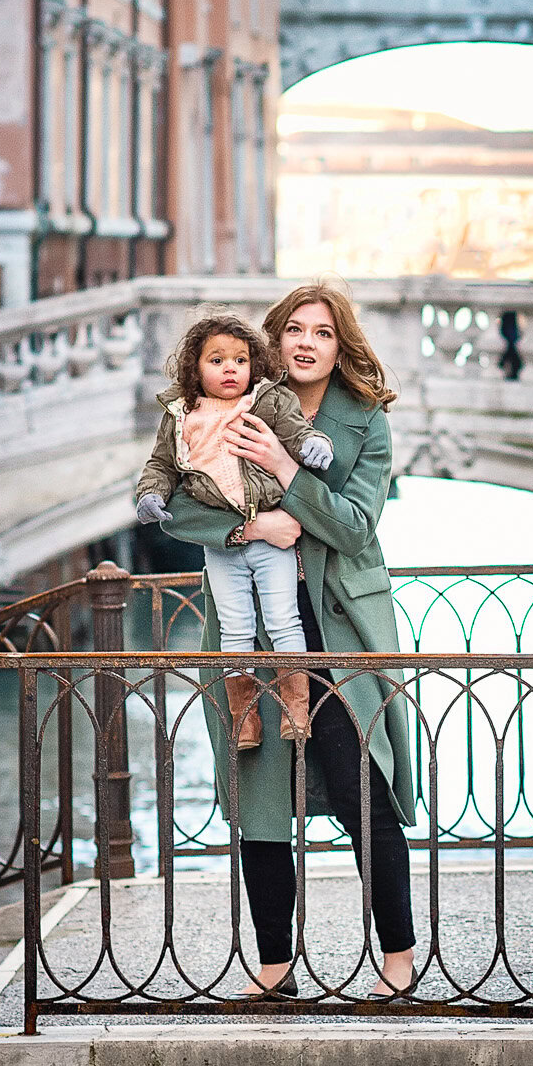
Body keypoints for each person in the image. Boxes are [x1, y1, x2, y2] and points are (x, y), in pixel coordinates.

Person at [157, 280, 417, 1000]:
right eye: (295, 329)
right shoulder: (222, 400)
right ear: (273, 340)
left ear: (342, 348)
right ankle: (275, 967)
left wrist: (281, 467)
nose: (307, 342)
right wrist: (248, 527)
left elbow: (355, 527)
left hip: (338, 633)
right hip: (249, 636)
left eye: (323, 333)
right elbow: (176, 507)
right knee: (260, 799)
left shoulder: (364, 421)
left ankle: (398, 958)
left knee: (368, 792)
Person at [135, 312, 335, 745]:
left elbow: (298, 433)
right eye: (217, 360)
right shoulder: (179, 415)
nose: (230, 369)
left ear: (254, 366)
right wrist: (149, 494)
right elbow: (161, 465)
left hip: (274, 539)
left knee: (284, 620)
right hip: (223, 545)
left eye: (240, 360)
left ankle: (295, 712)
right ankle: (245, 717)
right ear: (195, 368)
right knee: (235, 628)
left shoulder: (267, 401)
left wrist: (316, 445)